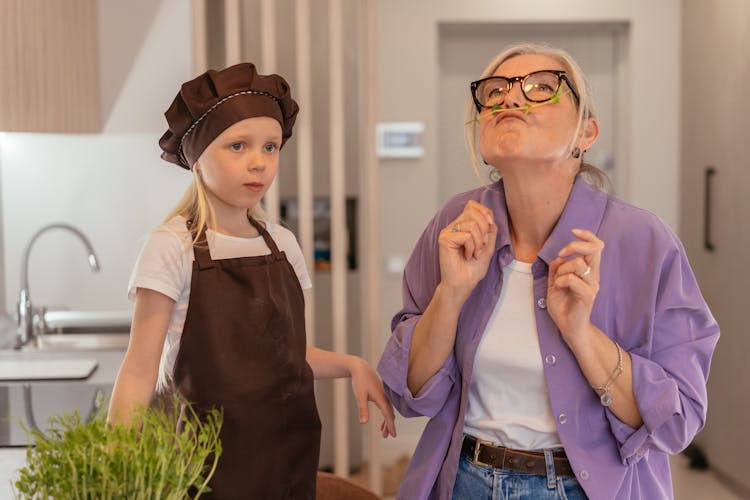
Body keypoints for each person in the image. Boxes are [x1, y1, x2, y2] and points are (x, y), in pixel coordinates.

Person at [378, 43, 719, 499]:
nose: (510, 99)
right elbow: (412, 394)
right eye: (495, 91)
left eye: (541, 88)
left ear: (587, 133)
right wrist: (452, 294)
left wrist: (580, 333)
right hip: (462, 483)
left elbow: (676, 421)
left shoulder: (645, 241)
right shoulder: (454, 223)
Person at [108, 62, 396, 499]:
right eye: (238, 146)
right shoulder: (171, 247)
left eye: (270, 147)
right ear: (198, 157)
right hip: (203, 470)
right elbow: (138, 370)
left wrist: (351, 364)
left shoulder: (282, 243)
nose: (258, 162)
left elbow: (285, 356)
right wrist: (118, 462)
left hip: (288, 460)